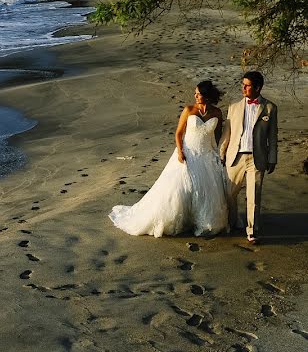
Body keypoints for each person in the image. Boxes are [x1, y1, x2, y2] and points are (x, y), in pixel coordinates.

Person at [110, 81, 229, 237]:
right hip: (188, 152)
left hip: (207, 155)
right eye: (195, 93)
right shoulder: (189, 110)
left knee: (205, 190)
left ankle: (201, 221)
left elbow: (218, 135)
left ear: (206, 96)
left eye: (198, 94)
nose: (195, 96)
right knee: (180, 189)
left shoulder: (217, 113)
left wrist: (220, 153)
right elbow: (179, 133)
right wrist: (180, 152)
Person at [220, 71, 278, 244]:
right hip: (235, 156)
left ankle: (252, 231)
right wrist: (220, 153)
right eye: (243, 84)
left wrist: (273, 158)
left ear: (258, 87)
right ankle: (232, 222)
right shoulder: (234, 107)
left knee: (254, 196)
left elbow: (273, 136)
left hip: (257, 158)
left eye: (247, 85)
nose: (243, 88)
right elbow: (227, 134)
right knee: (230, 193)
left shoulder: (270, 108)